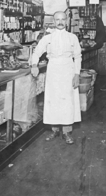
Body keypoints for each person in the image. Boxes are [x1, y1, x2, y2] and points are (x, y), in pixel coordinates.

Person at [30, 11, 82, 145]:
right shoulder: (47, 38)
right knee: (53, 100)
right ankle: (54, 130)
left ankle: (67, 132)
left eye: (62, 19)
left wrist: (77, 74)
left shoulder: (72, 38)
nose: (60, 22)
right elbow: (36, 52)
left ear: (67, 21)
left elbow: (77, 57)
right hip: (53, 70)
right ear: (53, 21)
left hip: (68, 70)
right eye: (57, 19)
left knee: (67, 102)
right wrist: (34, 65)